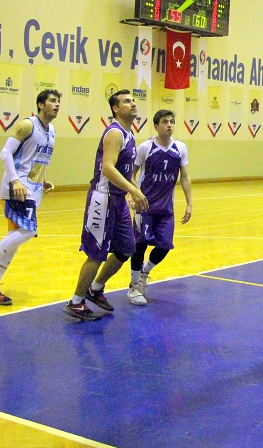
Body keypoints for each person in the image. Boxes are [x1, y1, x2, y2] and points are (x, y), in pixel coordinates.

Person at [0, 89, 60, 305]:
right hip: (18, 187)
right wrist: (15, 180)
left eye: (58, 101)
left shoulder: (52, 130)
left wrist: (42, 179)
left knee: (15, 237)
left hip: (33, 187)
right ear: (40, 104)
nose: (57, 105)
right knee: (29, 230)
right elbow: (5, 153)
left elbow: (36, 159)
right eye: (52, 101)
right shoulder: (27, 125)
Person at [64, 90, 148, 321]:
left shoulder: (130, 134)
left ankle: (96, 288)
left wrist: (136, 190)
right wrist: (133, 190)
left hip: (118, 200)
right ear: (115, 108)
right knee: (96, 253)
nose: (133, 104)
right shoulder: (114, 133)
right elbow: (108, 169)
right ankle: (76, 302)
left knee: (127, 248)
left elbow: (125, 172)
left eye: (133, 100)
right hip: (103, 198)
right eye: (127, 101)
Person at [127, 109, 193, 305]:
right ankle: (133, 286)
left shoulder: (180, 148)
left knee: (164, 245)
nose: (169, 125)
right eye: (165, 122)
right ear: (156, 126)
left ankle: (144, 272)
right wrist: (132, 193)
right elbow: (131, 173)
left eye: (171, 121)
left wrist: (189, 203)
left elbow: (185, 177)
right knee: (139, 245)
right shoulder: (146, 147)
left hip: (166, 209)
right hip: (145, 206)